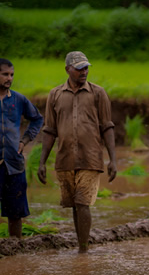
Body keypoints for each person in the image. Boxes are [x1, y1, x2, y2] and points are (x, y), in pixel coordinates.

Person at [37, 51, 117, 252]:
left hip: (90, 158)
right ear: (68, 70)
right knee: (74, 204)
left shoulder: (98, 93)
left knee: (82, 203)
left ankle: (83, 250)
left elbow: (107, 127)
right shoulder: (55, 95)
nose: (84, 71)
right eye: (79, 68)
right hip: (65, 158)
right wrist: (42, 162)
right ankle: (81, 246)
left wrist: (113, 160)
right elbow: (49, 130)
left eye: (86, 67)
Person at [0, 58, 44, 240]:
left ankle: (15, 247)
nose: (9, 78)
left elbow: (37, 119)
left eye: (11, 75)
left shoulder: (18, 100)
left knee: (15, 212)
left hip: (13, 163)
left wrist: (24, 140)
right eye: (5, 74)